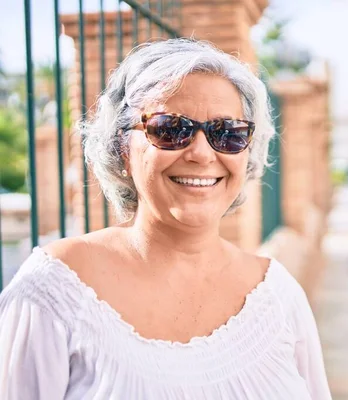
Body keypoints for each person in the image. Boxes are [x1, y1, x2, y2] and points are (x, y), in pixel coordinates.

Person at [0, 38, 331, 399]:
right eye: (171, 129)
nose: (203, 153)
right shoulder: (54, 291)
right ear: (122, 147)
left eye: (228, 134)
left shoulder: (277, 296)